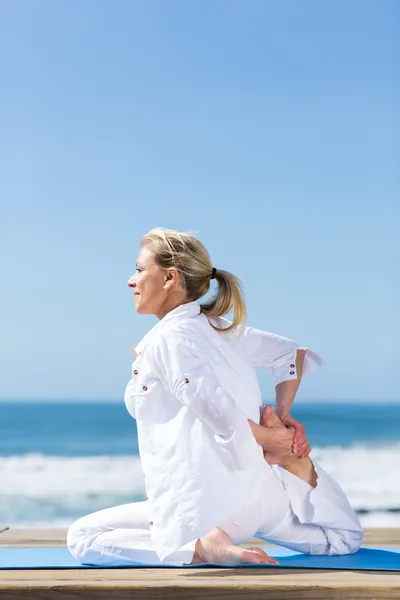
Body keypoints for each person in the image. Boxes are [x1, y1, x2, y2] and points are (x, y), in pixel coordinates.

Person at [67, 227, 363, 566]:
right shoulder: (218, 327)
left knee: (82, 537)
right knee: (342, 539)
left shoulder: (170, 338)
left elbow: (218, 411)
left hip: (214, 503)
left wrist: (273, 438)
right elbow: (290, 354)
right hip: (261, 491)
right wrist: (282, 421)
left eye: (138, 269)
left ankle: (206, 547)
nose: (130, 281)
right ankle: (299, 469)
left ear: (170, 277)